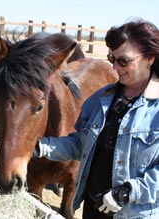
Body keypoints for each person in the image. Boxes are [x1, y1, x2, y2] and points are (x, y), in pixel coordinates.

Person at [35, 18, 159, 219]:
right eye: (112, 59)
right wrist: (42, 147)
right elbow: (81, 145)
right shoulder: (100, 100)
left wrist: (127, 192)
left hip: (134, 214)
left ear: (150, 58)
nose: (115, 68)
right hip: (94, 208)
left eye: (124, 61)